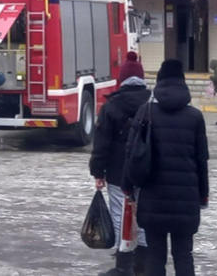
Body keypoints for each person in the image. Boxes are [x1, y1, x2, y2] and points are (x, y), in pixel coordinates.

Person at [124, 59, 208, 276]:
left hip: (153, 199)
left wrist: (127, 187)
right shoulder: (195, 117)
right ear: (183, 82)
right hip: (186, 199)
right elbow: (201, 160)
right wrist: (203, 195)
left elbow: (131, 153)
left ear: (159, 82)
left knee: (155, 256)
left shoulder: (146, 113)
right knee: (183, 255)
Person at [90, 56, 152, 276]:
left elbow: (102, 143)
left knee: (120, 216)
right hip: (147, 173)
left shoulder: (111, 106)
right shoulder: (152, 105)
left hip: (118, 172)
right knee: (144, 216)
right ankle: (143, 266)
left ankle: (123, 265)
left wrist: (98, 171)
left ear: (122, 79)